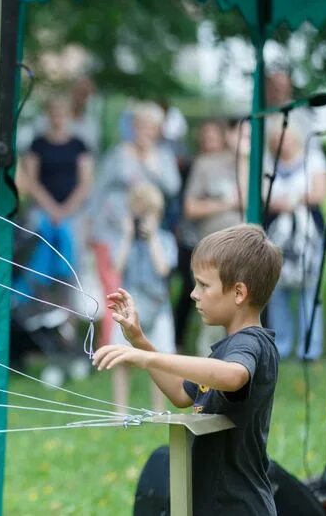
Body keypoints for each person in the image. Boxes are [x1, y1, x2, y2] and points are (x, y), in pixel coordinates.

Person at [94, 224, 283, 515]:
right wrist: (140, 341)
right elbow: (183, 394)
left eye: (204, 285)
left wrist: (148, 360)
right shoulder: (228, 348)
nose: (194, 294)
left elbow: (233, 376)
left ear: (238, 292)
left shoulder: (252, 345)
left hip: (239, 508)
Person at [89, 101, 180, 347]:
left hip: (150, 236)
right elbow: (98, 192)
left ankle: (144, 342)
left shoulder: (162, 156)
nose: (145, 132)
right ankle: (110, 346)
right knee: (114, 288)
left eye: (151, 128)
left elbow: (173, 188)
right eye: (141, 126)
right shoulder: (118, 155)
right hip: (114, 231)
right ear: (133, 127)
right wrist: (93, 229)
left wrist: (153, 168)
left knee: (149, 288)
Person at [180, 119, 250, 354]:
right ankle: (209, 362)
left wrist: (242, 158)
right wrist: (225, 204)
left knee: (239, 305)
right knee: (212, 305)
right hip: (211, 247)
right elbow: (190, 207)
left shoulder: (250, 163)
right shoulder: (205, 164)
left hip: (241, 248)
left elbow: (248, 200)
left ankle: (237, 358)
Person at [15, 98, 93, 301]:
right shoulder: (38, 144)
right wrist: (52, 209)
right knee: (37, 255)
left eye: (62, 114)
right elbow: (31, 181)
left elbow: (85, 183)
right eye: (55, 113)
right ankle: (32, 303)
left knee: (72, 261)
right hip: (43, 212)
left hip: (72, 213)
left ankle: (67, 311)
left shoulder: (79, 145)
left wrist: (65, 210)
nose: (58, 118)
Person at [110, 182, 176, 412]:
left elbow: (163, 269)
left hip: (158, 308)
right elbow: (116, 267)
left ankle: (158, 410)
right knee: (122, 360)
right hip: (129, 306)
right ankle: (120, 411)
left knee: (158, 359)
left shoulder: (165, 239)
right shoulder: (126, 240)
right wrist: (128, 237)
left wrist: (153, 238)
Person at [264, 125, 326, 361]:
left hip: (307, 236)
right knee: (277, 291)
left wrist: (291, 200)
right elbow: (264, 196)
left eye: (288, 138)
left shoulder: (314, 159)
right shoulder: (267, 162)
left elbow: (319, 194)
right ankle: (280, 345)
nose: (283, 142)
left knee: (308, 291)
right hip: (276, 234)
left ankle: (309, 349)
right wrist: (288, 202)